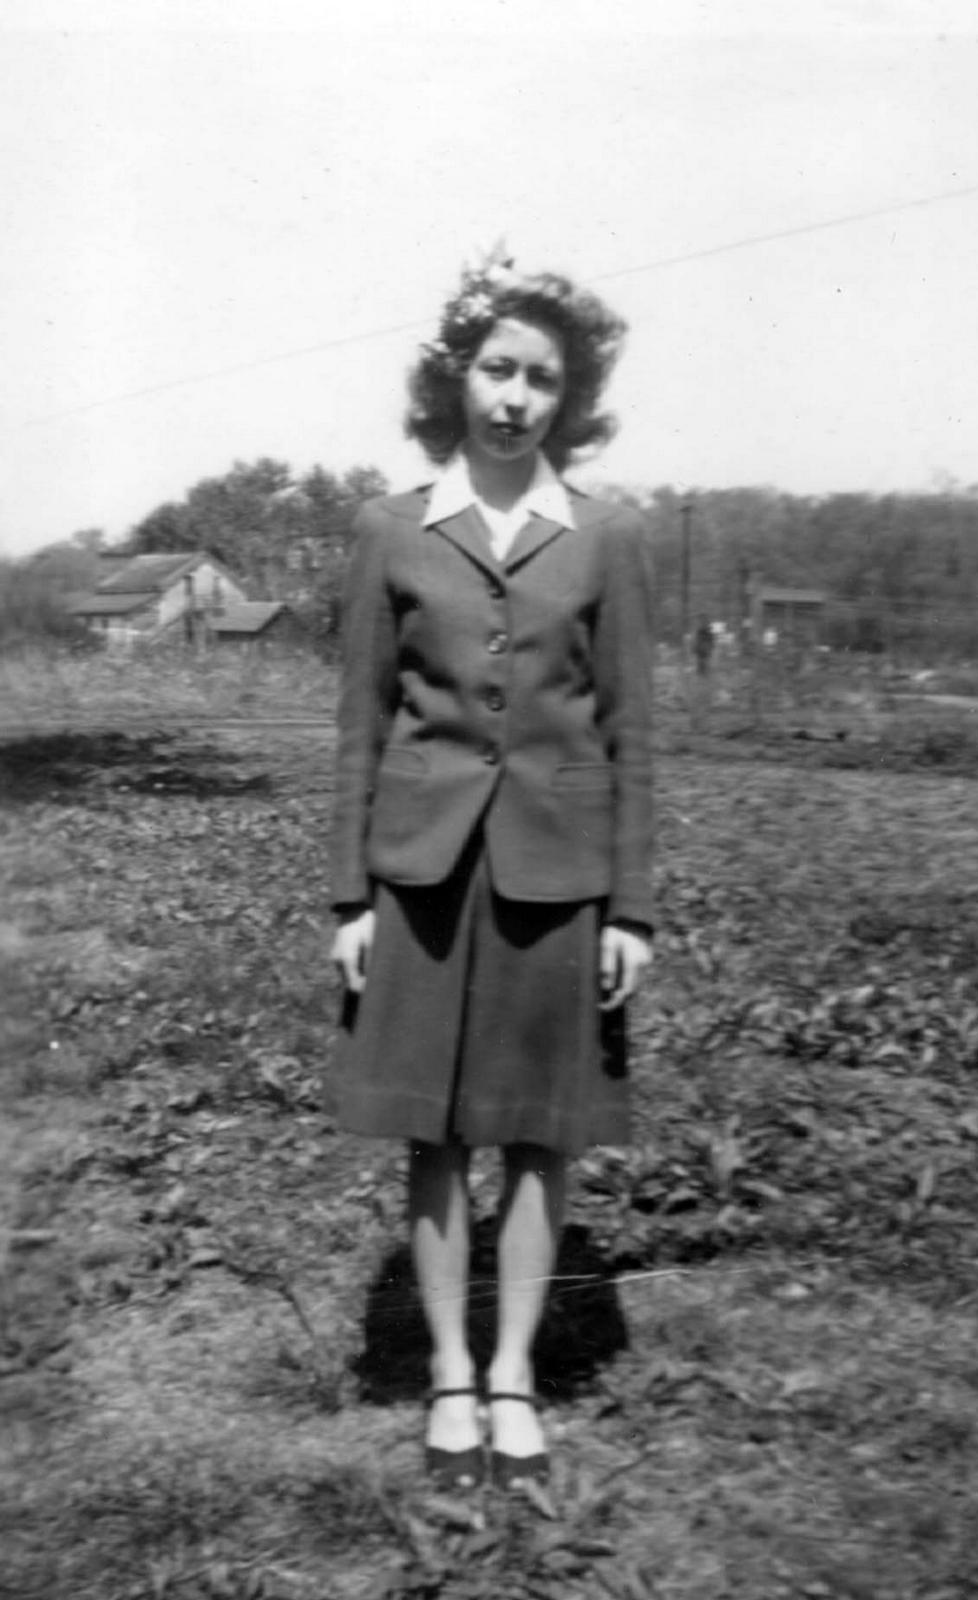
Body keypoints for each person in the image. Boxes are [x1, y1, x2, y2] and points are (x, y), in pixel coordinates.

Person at [325, 251, 654, 1493]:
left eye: (541, 379)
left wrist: (630, 910)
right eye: (496, 370)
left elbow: (632, 733)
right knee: (431, 1127)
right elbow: (358, 725)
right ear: (453, 379)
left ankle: (512, 1373)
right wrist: (350, 898)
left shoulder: (606, 535)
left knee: (534, 1134)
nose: (515, 398)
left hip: (556, 879)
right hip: (418, 877)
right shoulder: (390, 529)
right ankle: (450, 1376)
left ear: (569, 398)